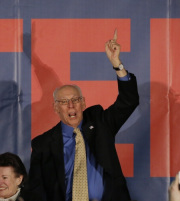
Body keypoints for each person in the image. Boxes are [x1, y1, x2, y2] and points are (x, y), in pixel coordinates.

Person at [25, 30, 139, 201]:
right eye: (64, 102)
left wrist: (117, 64)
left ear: (83, 104)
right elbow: (36, 191)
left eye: (75, 100)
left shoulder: (100, 123)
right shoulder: (43, 144)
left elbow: (129, 101)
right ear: (56, 108)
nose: (71, 105)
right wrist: (34, 60)